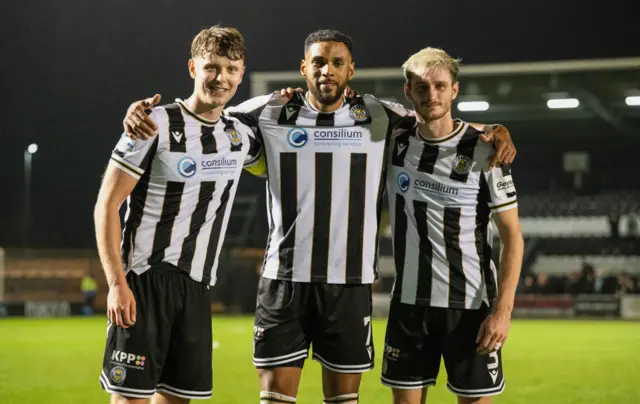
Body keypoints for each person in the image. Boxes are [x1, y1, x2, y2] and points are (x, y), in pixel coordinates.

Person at [122, 30, 517, 404]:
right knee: (275, 398)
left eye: (336, 62)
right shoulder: (271, 110)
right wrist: (143, 116)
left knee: (343, 400)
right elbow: (207, 116)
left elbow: (435, 122)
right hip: (284, 281)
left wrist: (495, 130)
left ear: (351, 70)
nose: (327, 69)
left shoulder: (380, 116)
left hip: (348, 284)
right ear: (303, 68)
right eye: (318, 62)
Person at [94, 26, 261, 403]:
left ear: (242, 72)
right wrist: (117, 284)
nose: (222, 78)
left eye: (232, 69)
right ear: (192, 68)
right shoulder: (153, 123)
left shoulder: (240, 135)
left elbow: (284, 118)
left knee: (178, 398)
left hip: (197, 285)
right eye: (212, 67)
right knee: (130, 398)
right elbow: (107, 204)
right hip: (145, 281)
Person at [380, 47, 524, 404]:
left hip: (471, 307)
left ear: (454, 91)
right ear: (408, 91)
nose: (432, 95)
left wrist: (502, 313)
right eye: (422, 87)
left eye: (440, 86)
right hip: (409, 303)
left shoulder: (485, 151)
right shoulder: (394, 138)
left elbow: (513, 238)